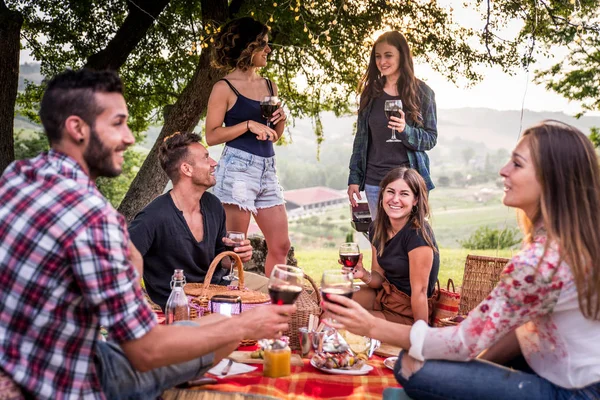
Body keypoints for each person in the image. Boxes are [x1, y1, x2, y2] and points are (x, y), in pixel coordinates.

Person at [0, 69, 295, 400]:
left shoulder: (18, 177)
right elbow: (146, 352)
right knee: (225, 333)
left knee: (218, 328)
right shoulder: (98, 219)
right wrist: (245, 327)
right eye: (117, 123)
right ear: (76, 128)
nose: (128, 137)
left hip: (49, 355)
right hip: (72, 380)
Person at [325, 121, 600, 399]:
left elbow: (462, 340)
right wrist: (472, 369)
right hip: (557, 372)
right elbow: (516, 332)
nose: (503, 170)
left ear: (551, 178)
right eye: (390, 192)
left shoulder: (538, 263)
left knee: (409, 366)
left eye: (516, 164)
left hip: (574, 393)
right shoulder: (575, 244)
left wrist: (372, 326)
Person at [128, 131, 270, 311]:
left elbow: (221, 262)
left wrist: (236, 256)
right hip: (184, 302)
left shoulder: (213, 205)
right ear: (187, 169)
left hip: (218, 286)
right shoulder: (153, 217)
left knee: (282, 289)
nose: (214, 163)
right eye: (206, 158)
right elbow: (123, 262)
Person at [205, 17, 290, 277]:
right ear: (247, 48)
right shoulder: (223, 87)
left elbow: (273, 135)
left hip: (267, 169)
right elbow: (211, 135)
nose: (268, 50)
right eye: (262, 44)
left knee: (281, 245)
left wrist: (281, 121)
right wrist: (248, 125)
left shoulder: (269, 85)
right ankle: (229, 307)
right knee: (234, 251)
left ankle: (276, 305)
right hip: (237, 170)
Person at [347, 31, 437, 220]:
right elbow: (361, 140)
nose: (382, 61)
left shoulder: (423, 92)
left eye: (388, 55)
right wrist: (354, 179)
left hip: (409, 183)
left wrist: (406, 130)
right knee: (379, 244)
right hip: (375, 182)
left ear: (402, 56)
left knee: (412, 241)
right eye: (378, 56)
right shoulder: (371, 93)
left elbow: (430, 139)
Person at [347, 167, 439, 325]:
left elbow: (420, 293)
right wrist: (363, 274)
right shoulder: (376, 227)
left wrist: (421, 336)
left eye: (404, 194)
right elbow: (378, 277)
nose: (395, 199)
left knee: (349, 322)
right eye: (390, 191)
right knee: (333, 302)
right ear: (382, 194)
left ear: (415, 200)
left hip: (408, 309)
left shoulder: (417, 235)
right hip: (385, 296)